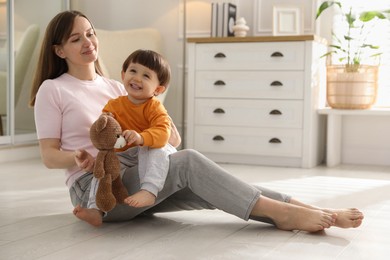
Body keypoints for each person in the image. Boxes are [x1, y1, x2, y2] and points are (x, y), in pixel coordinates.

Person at [31, 10, 364, 230]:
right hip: (95, 190)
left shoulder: (116, 86)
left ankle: (313, 212)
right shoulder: (54, 90)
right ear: (60, 50)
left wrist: (159, 129)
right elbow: (48, 155)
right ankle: (289, 215)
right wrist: (79, 157)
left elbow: (171, 141)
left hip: (135, 177)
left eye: (90, 33)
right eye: (77, 39)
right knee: (189, 163)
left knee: (209, 183)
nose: (88, 43)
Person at [87, 49, 177, 216]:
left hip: (150, 152)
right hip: (125, 154)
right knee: (103, 166)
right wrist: (104, 123)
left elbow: (163, 133)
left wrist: (141, 137)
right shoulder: (113, 105)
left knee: (157, 149)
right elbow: (106, 132)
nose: (136, 78)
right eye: (133, 71)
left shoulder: (154, 107)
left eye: (146, 76)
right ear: (123, 74)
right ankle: (94, 207)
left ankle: (149, 190)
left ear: (158, 89)